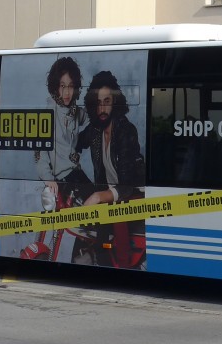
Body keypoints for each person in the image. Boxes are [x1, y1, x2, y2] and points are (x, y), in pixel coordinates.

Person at [74, 70, 146, 268]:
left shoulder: (125, 130)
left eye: (107, 101)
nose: (102, 108)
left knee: (116, 211)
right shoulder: (95, 131)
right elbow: (74, 143)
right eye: (98, 102)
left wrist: (98, 197)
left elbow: (126, 185)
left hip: (133, 190)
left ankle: (122, 266)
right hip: (108, 190)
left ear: (115, 102)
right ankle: (92, 253)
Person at [22, 56, 90, 261]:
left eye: (70, 86)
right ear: (55, 87)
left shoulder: (76, 111)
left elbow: (89, 118)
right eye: (62, 86)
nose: (67, 92)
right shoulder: (48, 111)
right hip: (60, 180)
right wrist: (48, 179)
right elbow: (39, 153)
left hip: (75, 176)